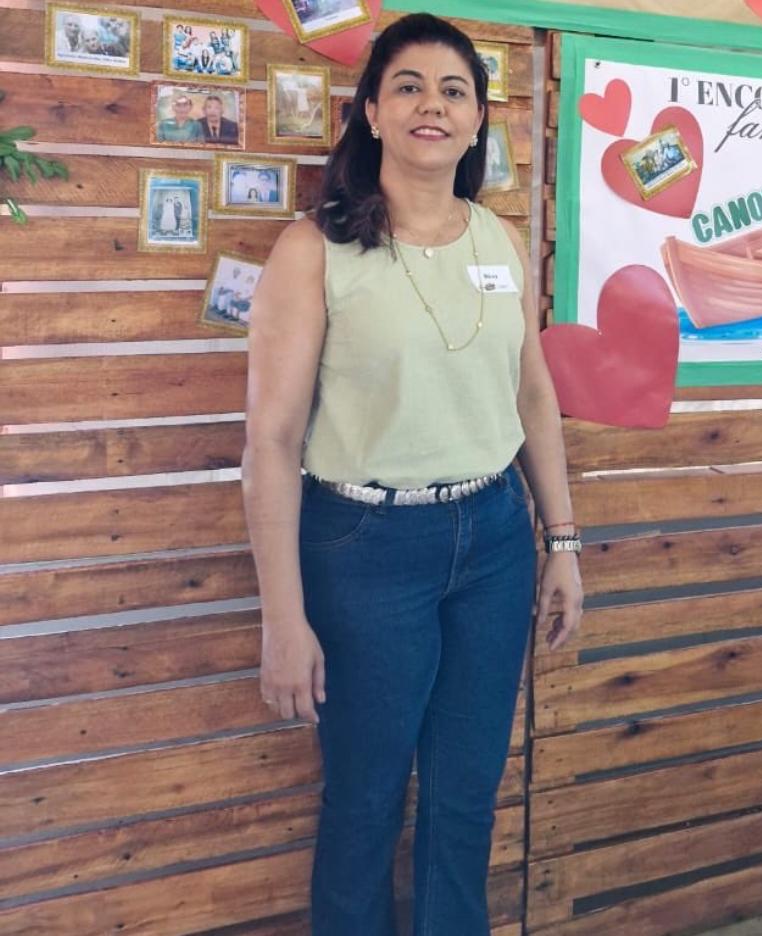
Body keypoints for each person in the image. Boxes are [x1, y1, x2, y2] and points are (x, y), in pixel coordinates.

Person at [242, 14, 583, 936]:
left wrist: (562, 541)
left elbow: (533, 397)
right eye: (408, 86)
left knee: (466, 797)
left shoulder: (499, 241)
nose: (433, 105)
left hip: (495, 541)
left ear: (476, 122)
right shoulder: (314, 249)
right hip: (365, 550)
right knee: (365, 799)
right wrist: (283, 619)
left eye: (454, 91)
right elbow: (270, 442)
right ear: (372, 112)